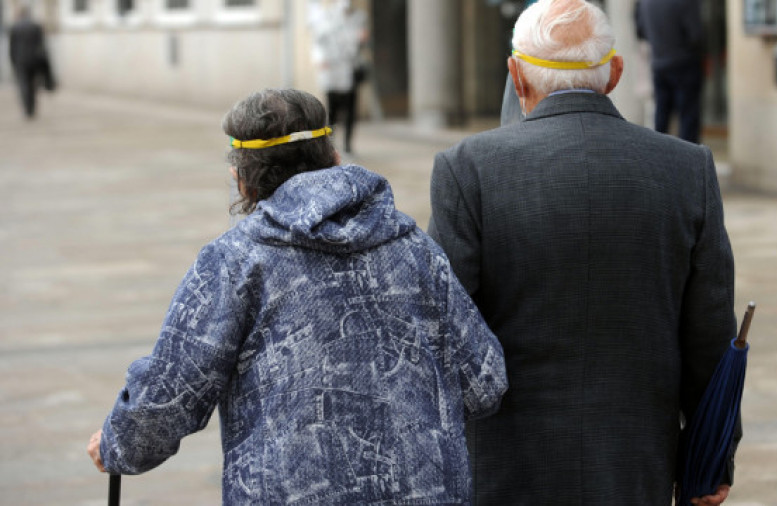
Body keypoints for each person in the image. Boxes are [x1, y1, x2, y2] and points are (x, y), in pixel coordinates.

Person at [86, 88, 508, 504]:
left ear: (243, 182)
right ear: (335, 158)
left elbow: (167, 399)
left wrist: (116, 444)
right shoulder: (413, 246)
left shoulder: (233, 263)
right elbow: (485, 384)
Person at [427, 0, 738, 504]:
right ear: (615, 73)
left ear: (516, 78)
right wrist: (712, 454)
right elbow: (709, 333)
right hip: (638, 461)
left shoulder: (468, 169)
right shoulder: (687, 168)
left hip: (507, 461)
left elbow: (442, 330)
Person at [635, 0, 705, 143]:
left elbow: (641, 32)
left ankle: (658, 158)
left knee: (661, 116)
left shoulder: (644, 3)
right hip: (685, 64)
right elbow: (696, 36)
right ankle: (688, 161)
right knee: (688, 118)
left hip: (659, 64)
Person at [310, 0, 368, 155]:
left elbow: (359, 42)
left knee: (350, 109)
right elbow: (318, 41)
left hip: (349, 69)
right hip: (332, 71)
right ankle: (331, 143)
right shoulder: (327, 18)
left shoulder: (359, 17)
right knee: (332, 109)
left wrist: (361, 38)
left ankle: (348, 143)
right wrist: (320, 59)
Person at [9, 6, 53, 119]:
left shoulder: (15, 27)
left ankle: (27, 108)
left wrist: (13, 61)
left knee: (24, 84)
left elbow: (12, 47)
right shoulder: (35, 26)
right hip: (34, 59)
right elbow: (42, 45)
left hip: (21, 60)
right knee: (33, 83)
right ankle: (32, 107)